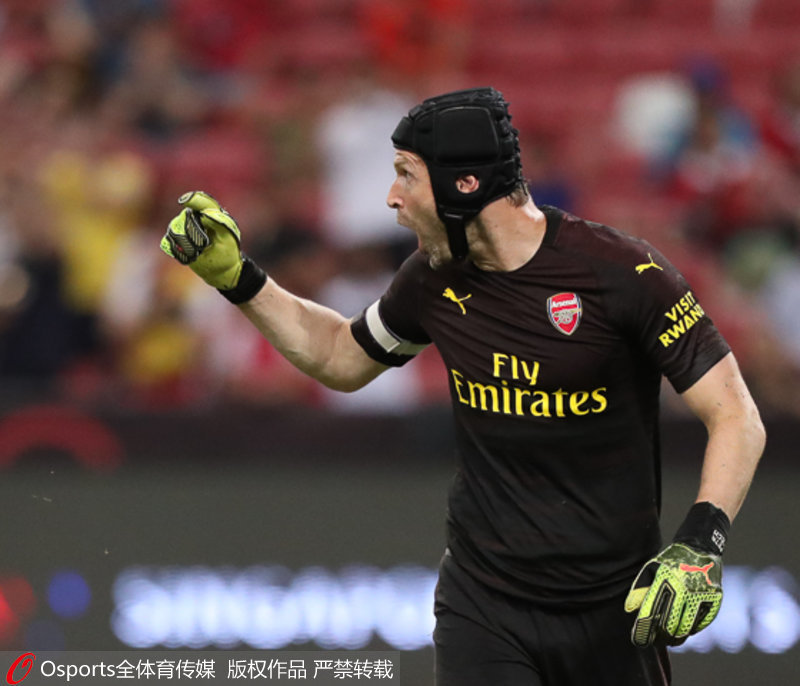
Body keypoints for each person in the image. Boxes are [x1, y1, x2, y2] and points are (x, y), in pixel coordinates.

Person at [160, 87, 765, 685]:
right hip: (485, 606)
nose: (392, 198)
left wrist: (700, 545)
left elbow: (736, 415)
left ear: (465, 185)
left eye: (406, 174)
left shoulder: (626, 274)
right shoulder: (432, 279)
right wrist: (238, 278)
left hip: (617, 610)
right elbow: (341, 356)